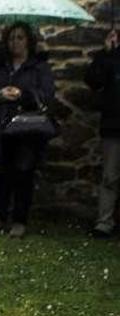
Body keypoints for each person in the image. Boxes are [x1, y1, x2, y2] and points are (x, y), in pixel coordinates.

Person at [0, 22, 55, 238]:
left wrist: (22, 95)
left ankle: (19, 220)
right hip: (1, 127)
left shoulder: (38, 68)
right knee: (1, 174)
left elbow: (47, 96)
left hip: (27, 129)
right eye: (11, 38)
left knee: (24, 173)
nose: (15, 42)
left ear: (28, 41)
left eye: (19, 37)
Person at [85, 30, 120, 239]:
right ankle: (104, 222)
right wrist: (106, 53)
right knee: (110, 176)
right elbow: (93, 80)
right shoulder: (110, 55)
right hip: (114, 124)